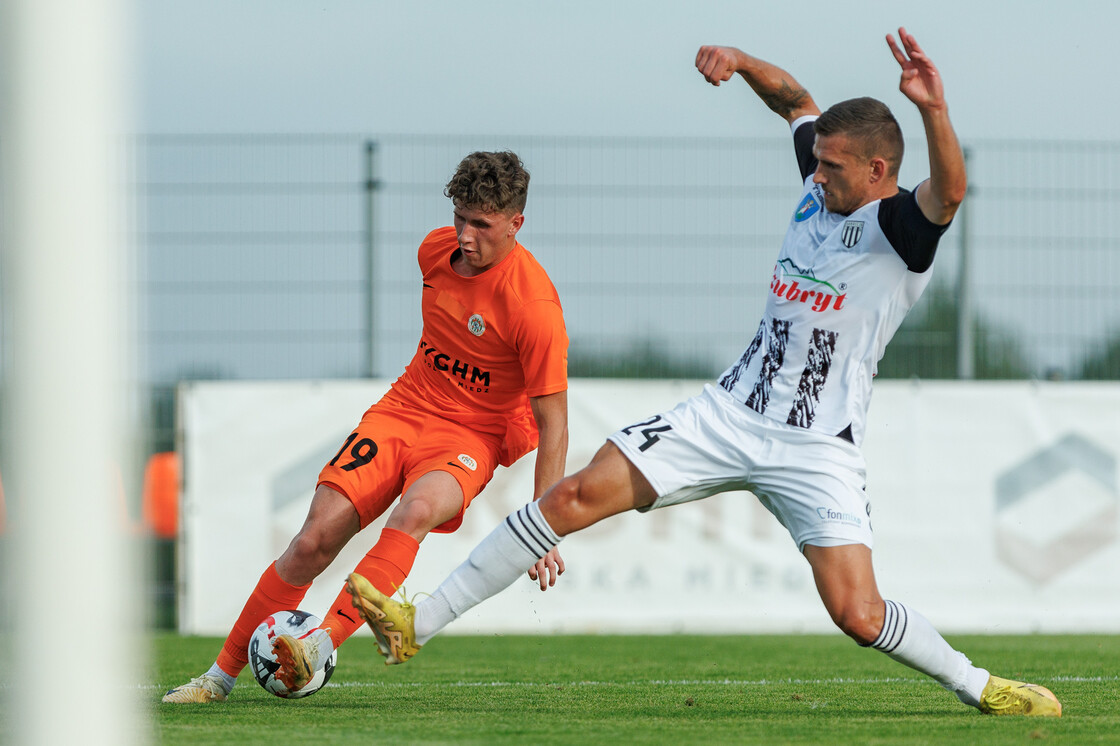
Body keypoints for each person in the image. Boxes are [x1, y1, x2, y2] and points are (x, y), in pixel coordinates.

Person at [347, 30, 1061, 717]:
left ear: (878, 171)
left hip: (815, 445)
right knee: (574, 495)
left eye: (832, 166)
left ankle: (980, 684)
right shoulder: (820, 191)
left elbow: (951, 192)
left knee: (859, 613)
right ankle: (420, 622)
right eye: (816, 161)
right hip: (727, 413)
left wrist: (933, 110)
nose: (815, 173)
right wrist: (744, 61)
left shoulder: (900, 232)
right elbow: (795, 101)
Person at [163, 151, 569, 703]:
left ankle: (319, 643)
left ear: (515, 224)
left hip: (473, 435)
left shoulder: (534, 307)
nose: (465, 235)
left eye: (481, 224)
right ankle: (216, 680)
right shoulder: (433, 252)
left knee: (417, 510)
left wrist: (545, 526)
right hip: (403, 411)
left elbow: (554, 421)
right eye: (460, 218)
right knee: (312, 541)